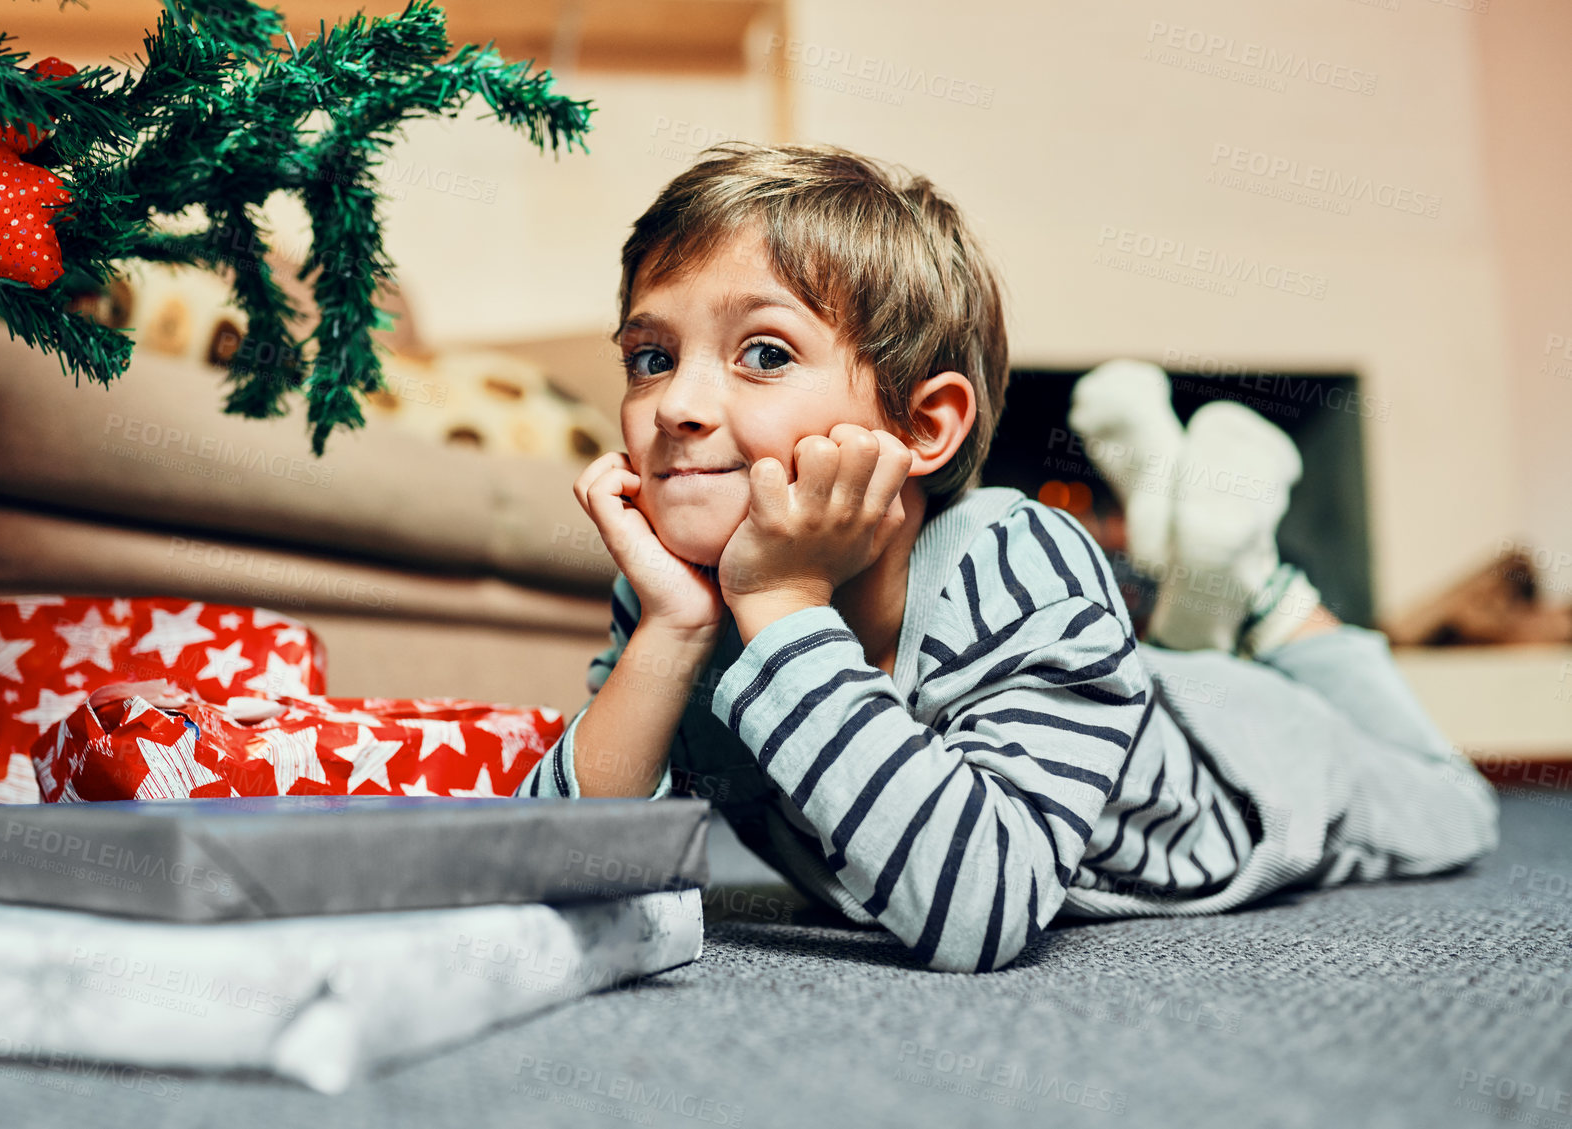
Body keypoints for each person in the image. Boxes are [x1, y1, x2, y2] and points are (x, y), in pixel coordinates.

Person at [517, 142, 1499, 973]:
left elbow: (981, 910)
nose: (678, 406)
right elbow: (550, 875)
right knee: (1154, 668)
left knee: (1454, 808)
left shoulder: (1017, 559)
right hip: (1108, 689)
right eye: (651, 357)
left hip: (1250, 768)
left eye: (764, 354)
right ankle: (1204, 591)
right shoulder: (675, 595)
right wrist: (674, 632)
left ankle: (1264, 594)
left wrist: (780, 599)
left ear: (925, 424)